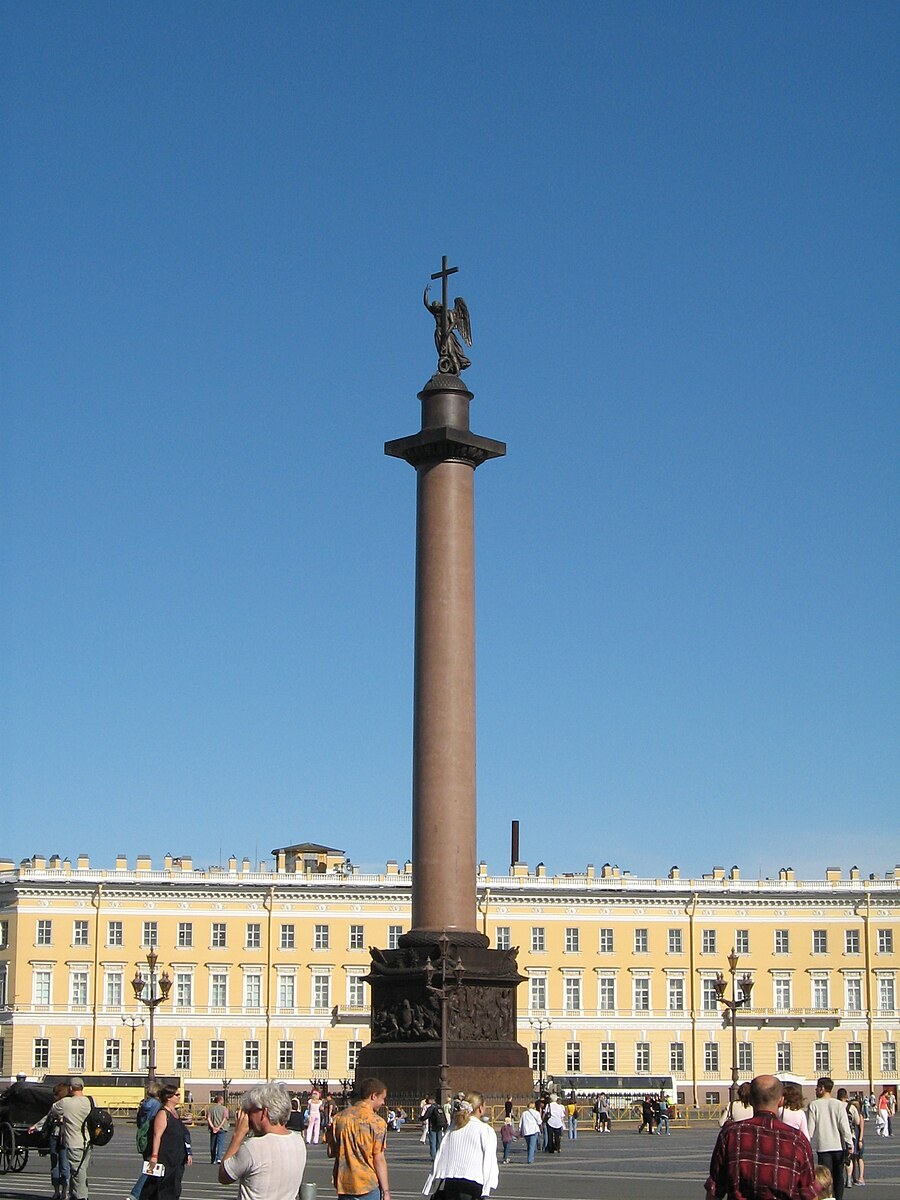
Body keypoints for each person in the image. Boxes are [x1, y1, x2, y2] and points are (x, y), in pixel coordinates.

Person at [705, 1074, 817, 1200]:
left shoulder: (730, 1134)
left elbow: (715, 1188)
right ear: (781, 1101)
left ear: (751, 1099)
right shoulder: (797, 1140)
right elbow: (808, 1192)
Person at [218, 1083, 307, 1200]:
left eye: (250, 1111)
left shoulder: (253, 1147)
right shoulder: (298, 1142)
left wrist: (238, 1135)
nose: (248, 1117)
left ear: (264, 1112)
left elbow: (224, 1176)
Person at [422, 1091, 498, 1199]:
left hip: (450, 1183)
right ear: (480, 1108)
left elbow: (441, 1153)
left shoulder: (453, 1127)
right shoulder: (485, 1130)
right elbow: (489, 1161)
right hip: (473, 1185)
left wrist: (431, 1181)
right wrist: (487, 1189)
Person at [326, 1076, 391, 1200]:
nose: (383, 1103)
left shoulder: (339, 1118)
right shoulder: (377, 1122)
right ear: (373, 1096)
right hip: (367, 1183)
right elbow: (379, 1159)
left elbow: (331, 1152)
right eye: (382, 1098)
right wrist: (386, 1191)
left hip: (344, 1184)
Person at [30, 1077, 93, 1200]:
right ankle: (75, 1194)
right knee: (82, 1170)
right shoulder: (89, 1101)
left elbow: (52, 1111)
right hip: (88, 1141)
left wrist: (37, 1126)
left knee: (76, 1172)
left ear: (70, 1088)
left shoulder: (65, 1103)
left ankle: (81, 1196)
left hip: (73, 1142)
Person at [143, 1085, 193, 1200]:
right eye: (177, 1095)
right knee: (162, 1187)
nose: (179, 1097)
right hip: (166, 1157)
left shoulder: (175, 1113)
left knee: (175, 1187)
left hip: (177, 1157)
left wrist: (188, 1153)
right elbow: (157, 1135)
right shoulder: (163, 1114)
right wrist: (154, 1156)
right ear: (169, 1097)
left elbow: (183, 1134)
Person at [807, 1077, 853, 1200]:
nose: (816, 1090)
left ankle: (827, 1197)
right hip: (838, 1146)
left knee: (825, 1178)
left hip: (823, 1147)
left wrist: (806, 1143)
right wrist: (849, 1144)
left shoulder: (814, 1105)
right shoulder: (838, 1104)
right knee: (839, 1176)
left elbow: (810, 1129)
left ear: (822, 1089)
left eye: (817, 1087)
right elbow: (844, 1126)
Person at [128, 1082, 163, 1200]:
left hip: (143, 1137)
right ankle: (135, 1194)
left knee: (151, 1169)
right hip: (151, 1137)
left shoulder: (144, 1104)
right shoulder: (157, 1105)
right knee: (151, 1168)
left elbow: (139, 1122)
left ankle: (147, 1194)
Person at [46, 1082, 71, 1200]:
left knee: (62, 1164)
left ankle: (64, 1191)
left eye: (56, 1094)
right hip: (56, 1136)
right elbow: (47, 1118)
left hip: (63, 1136)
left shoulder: (63, 1105)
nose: (54, 1096)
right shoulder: (57, 1105)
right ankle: (58, 1191)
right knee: (56, 1164)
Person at [840, 1088, 864, 1188]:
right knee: (849, 1157)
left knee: (839, 1158)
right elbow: (858, 1121)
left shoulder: (835, 1105)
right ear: (846, 1096)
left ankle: (839, 1178)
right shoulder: (851, 1107)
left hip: (838, 1135)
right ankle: (849, 1178)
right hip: (851, 1134)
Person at [421, 1096, 447, 1161]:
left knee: (433, 1141)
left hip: (433, 1126)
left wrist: (421, 1118)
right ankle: (439, 1156)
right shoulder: (440, 1107)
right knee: (439, 1141)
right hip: (440, 1126)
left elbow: (426, 1116)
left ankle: (434, 1157)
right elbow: (444, 1117)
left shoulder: (431, 1108)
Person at [208, 1094, 231, 1164]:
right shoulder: (224, 1109)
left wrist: (213, 1127)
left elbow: (208, 1118)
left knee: (213, 1144)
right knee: (220, 1144)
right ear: (221, 1100)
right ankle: (218, 1158)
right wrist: (219, 1127)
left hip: (213, 1129)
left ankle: (213, 1158)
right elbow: (224, 1118)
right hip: (222, 1128)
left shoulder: (210, 1108)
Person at [517, 1100, 542, 1165]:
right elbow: (539, 1122)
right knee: (532, 1146)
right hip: (534, 1130)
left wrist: (520, 1131)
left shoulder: (524, 1113)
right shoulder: (536, 1113)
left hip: (526, 1131)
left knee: (529, 1145)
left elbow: (521, 1123)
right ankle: (530, 1159)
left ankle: (529, 1157)